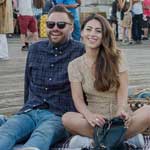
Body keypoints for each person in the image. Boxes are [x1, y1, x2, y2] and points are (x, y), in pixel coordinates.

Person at [0, 5, 84, 150]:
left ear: (71, 28)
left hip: (58, 115)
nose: (55, 28)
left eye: (61, 24)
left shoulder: (81, 51)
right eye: (50, 24)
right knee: (6, 132)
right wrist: (24, 108)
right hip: (30, 111)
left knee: (41, 137)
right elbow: (28, 85)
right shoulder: (35, 49)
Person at [62, 13, 150, 145]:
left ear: (104, 36)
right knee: (67, 118)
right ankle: (123, 140)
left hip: (120, 118)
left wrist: (121, 109)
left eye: (98, 31)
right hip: (96, 121)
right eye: (89, 29)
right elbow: (78, 99)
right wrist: (89, 115)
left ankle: (97, 142)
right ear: (81, 32)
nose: (92, 34)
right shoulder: (74, 65)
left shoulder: (117, 56)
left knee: (148, 111)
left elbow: (123, 88)